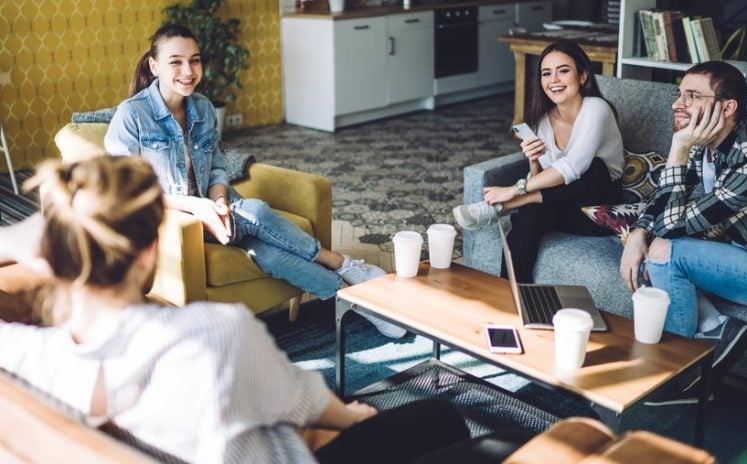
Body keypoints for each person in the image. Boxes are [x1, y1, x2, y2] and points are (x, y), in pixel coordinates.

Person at [0, 156, 538, 464]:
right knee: (449, 420)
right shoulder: (211, 333)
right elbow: (314, 405)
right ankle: (349, 279)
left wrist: (39, 239)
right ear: (148, 254)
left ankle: (345, 280)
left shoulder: (26, 355)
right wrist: (351, 417)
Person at [103, 24, 404, 339]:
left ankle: (355, 302)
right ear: (154, 66)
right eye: (175, 62)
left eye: (195, 60)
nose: (188, 71)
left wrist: (218, 201)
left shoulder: (203, 108)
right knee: (257, 212)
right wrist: (197, 206)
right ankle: (343, 263)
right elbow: (129, 192)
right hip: (175, 216)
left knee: (269, 255)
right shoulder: (132, 115)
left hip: (216, 206)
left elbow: (217, 168)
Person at [620, 61, 747, 404]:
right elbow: (666, 199)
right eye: (679, 94)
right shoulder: (711, 140)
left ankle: (678, 375)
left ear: (727, 107)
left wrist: (678, 147)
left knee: (665, 253)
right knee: (640, 247)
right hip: (737, 252)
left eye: (691, 95)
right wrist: (639, 232)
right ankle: (715, 325)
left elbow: (672, 226)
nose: (676, 103)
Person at [453, 40, 624, 283]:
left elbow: (574, 167)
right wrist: (533, 161)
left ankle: (506, 206)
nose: (553, 79)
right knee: (530, 212)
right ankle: (511, 293)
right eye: (546, 73)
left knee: (594, 170)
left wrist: (514, 191)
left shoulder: (597, 109)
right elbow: (542, 179)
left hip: (600, 211)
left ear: (583, 76)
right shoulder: (544, 120)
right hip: (565, 207)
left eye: (563, 71)